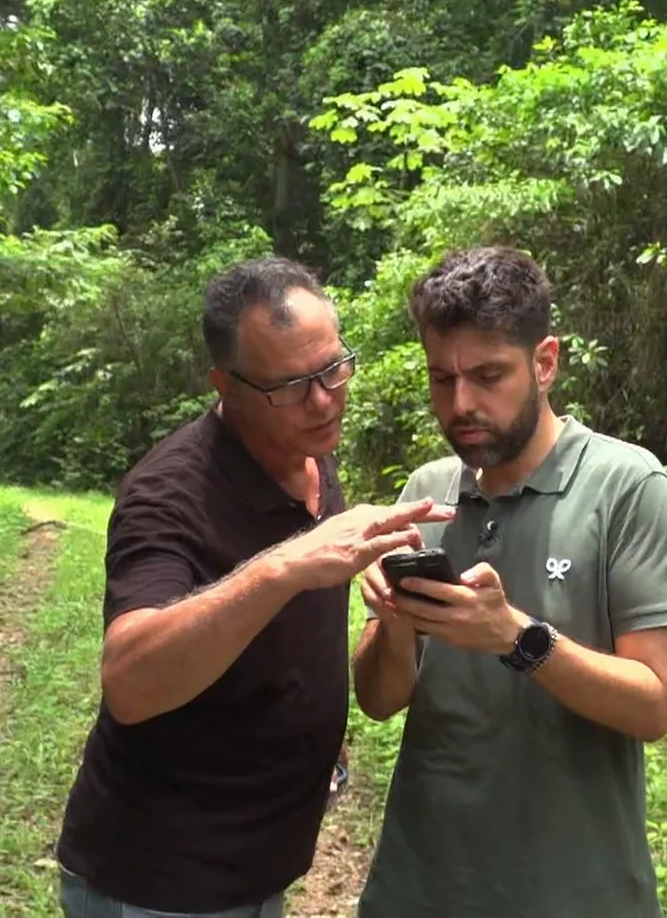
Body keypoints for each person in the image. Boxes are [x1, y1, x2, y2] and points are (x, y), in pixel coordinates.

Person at [54, 256, 453, 917]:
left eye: (332, 369)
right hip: (163, 880)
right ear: (226, 385)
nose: (324, 400)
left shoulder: (307, 445)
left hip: (258, 864)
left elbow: (289, 642)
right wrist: (282, 567)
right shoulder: (167, 495)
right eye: (292, 385)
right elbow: (129, 680)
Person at [351, 246, 667, 917]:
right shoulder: (427, 494)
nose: (461, 404)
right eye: (441, 379)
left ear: (544, 362)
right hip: (420, 885)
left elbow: (655, 704)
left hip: (572, 892)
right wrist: (394, 629)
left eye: (488, 376)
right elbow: (378, 699)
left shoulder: (625, 487)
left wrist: (516, 637)